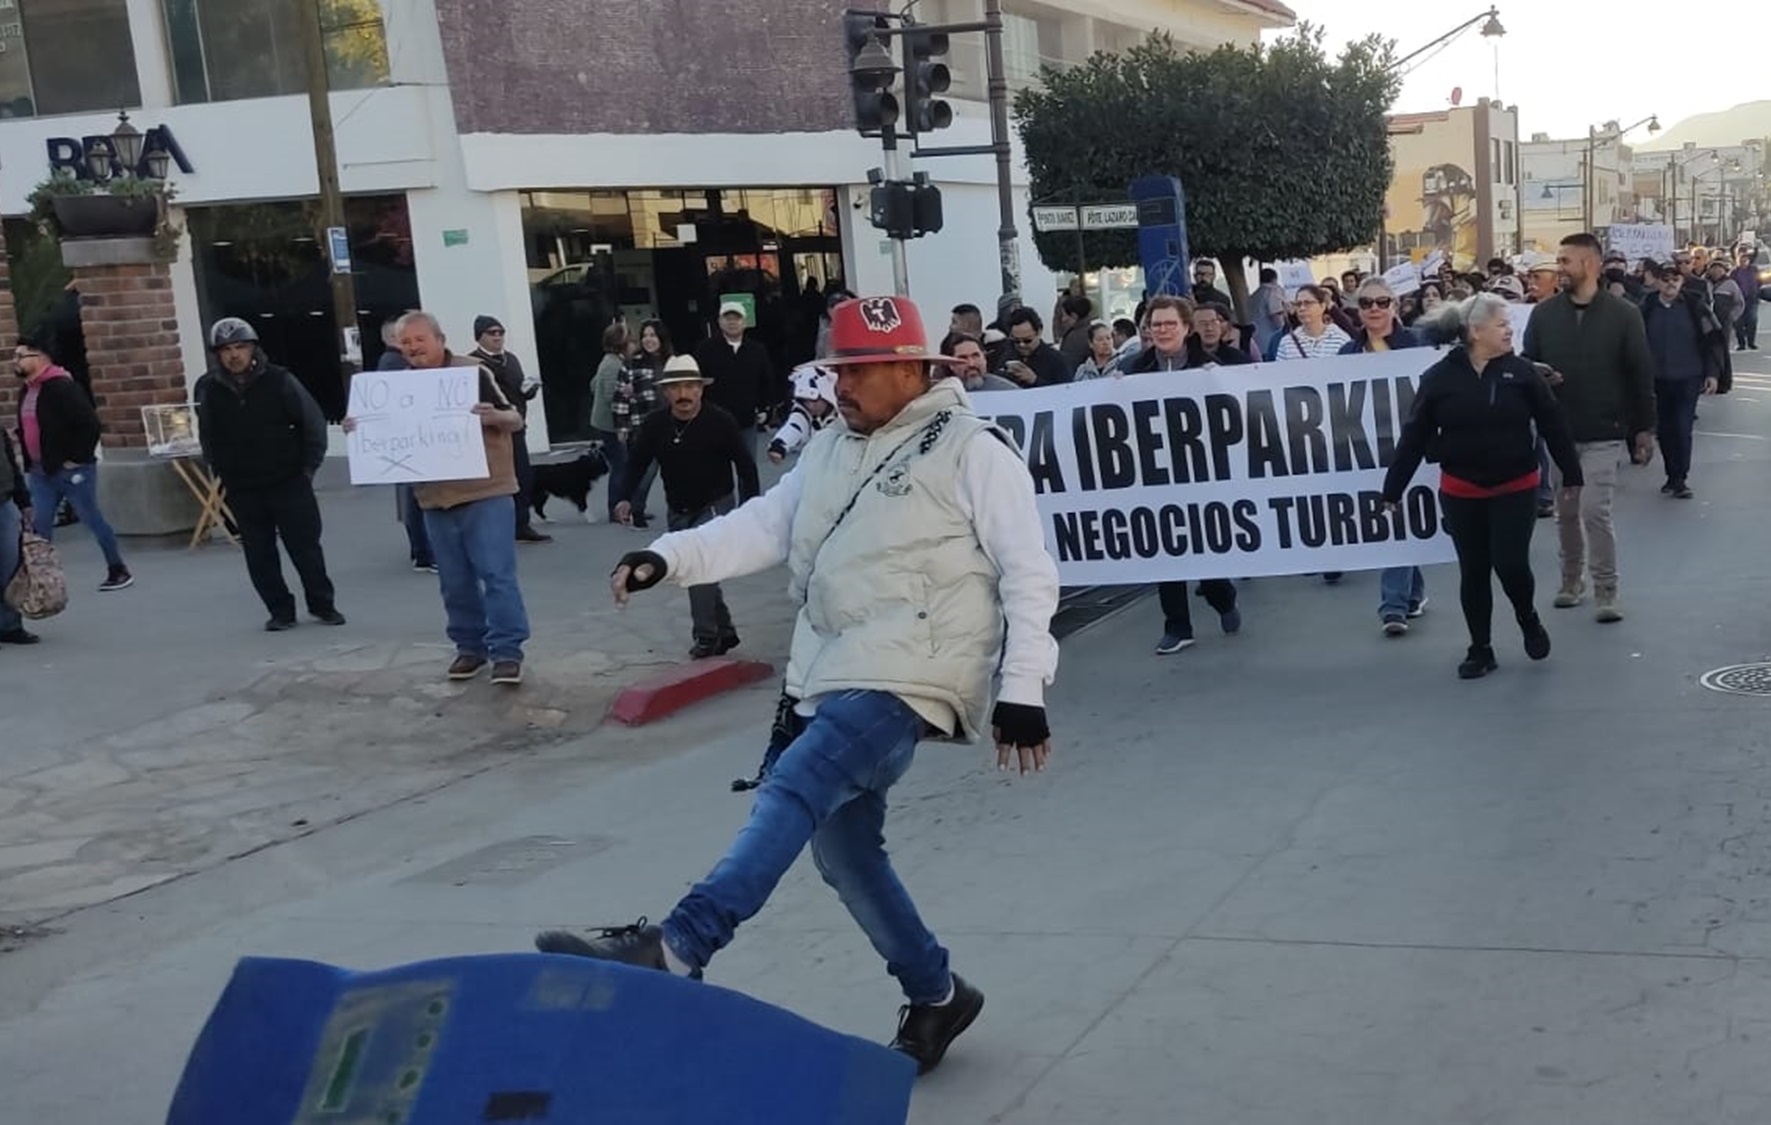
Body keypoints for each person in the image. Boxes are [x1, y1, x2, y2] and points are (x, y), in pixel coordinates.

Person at [534, 295, 1059, 1077]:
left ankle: (677, 947)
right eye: (836, 371)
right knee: (845, 853)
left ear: (912, 369)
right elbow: (762, 525)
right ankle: (937, 991)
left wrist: (1023, 685)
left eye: (859, 372)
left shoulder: (973, 448)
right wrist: (666, 558)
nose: (840, 387)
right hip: (832, 666)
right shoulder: (829, 448)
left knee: (793, 784)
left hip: (914, 670)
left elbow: (1028, 570)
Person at [1384, 293, 1583, 679]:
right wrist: (1393, 489)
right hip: (1462, 490)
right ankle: (1481, 648)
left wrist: (1570, 473)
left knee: (1510, 564)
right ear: (1475, 332)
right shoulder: (1439, 378)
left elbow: (1552, 423)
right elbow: (1414, 434)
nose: (1510, 330)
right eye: (1502, 324)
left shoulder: (1523, 373)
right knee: (1473, 571)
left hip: (1516, 484)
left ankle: (1527, 618)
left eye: (1509, 324)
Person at [346, 312, 531, 685]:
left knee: (496, 575)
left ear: (440, 339)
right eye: (406, 342)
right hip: (434, 498)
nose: (413, 348)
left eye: (419, 340)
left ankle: (507, 652)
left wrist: (491, 416)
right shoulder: (394, 389)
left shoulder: (472, 373)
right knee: (453, 579)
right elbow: (382, 434)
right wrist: (359, 428)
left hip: (486, 490)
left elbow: (516, 419)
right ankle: (470, 648)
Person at [1521, 233, 1656, 624]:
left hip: (1605, 430)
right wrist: (1538, 376)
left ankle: (1606, 589)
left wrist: (1644, 430)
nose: (1559, 268)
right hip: (1560, 431)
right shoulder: (1544, 315)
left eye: (1566, 261)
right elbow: (1527, 362)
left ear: (1591, 264)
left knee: (1595, 510)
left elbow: (1640, 374)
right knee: (1565, 513)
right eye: (1558, 261)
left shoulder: (1624, 314)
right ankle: (1570, 581)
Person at [194, 318, 343, 632]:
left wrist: (307, 470)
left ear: (253, 348)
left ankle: (323, 605)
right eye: (227, 350)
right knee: (259, 555)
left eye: (241, 347)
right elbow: (207, 433)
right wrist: (220, 469)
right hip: (243, 486)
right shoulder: (209, 388)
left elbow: (312, 424)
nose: (234, 355)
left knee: (305, 549)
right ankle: (280, 610)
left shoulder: (280, 380)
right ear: (217, 354)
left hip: (288, 481)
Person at [616, 355, 760, 659]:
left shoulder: (720, 420)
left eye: (690, 387)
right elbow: (636, 464)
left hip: (716, 504)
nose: (683, 394)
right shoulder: (655, 424)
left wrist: (752, 507)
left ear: (700, 390)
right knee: (700, 572)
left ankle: (706, 638)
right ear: (666, 392)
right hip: (678, 506)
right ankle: (725, 631)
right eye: (676, 387)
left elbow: (746, 466)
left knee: (698, 568)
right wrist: (624, 497)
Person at [1122, 297, 1243, 650]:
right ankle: (1177, 626)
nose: (1161, 330)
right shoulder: (1133, 371)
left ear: (1186, 328)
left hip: (1203, 473)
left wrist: (1218, 385)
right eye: (1155, 325)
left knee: (1204, 547)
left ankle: (1223, 596)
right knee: (1166, 548)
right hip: (1156, 473)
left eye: (1169, 324)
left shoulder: (1212, 367)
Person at [1340, 278, 1429, 635]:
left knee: (1397, 519)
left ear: (1395, 305)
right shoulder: (1347, 353)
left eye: (1381, 302)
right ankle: (1412, 592)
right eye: (1365, 303)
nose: (1374, 309)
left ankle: (1393, 606)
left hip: (1411, 445)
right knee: (1395, 520)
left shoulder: (1417, 345)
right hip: (1367, 447)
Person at [13, 333, 132, 592]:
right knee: (40, 525)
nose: (17, 361)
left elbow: (89, 425)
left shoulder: (62, 387)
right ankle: (42, 580)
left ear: (40, 357)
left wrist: (76, 458)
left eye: (22, 356)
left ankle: (117, 568)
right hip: (41, 470)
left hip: (71, 470)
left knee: (91, 518)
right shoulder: (27, 390)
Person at [1641, 262, 1723, 499]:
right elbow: (1633, 343)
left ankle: (1681, 479)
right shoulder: (1646, 308)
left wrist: (1712, 374)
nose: (1670, 283)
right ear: (1657, 282)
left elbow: (1714, 340)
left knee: (1682, 427)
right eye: (1665, 278)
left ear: (1682, 282)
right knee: (1665, 429)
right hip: (1657, 379)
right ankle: (1671, 475)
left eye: (1675, 279)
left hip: (1688, 376)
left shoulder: (1695, 306)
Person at [471, 315, 549, 544]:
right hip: (491, 432)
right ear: (480, 336)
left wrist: (530, 390)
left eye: (500, 332)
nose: (497, 337)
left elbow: (519, 390)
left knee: (522, 477)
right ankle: (496, 527)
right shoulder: (473, 363)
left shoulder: (511, 359)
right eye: (491, 333)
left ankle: (521, 524)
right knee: (495, 483)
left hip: (516, 428)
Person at [379, 317, 434, 572]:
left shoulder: (392, 363)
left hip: (410, 442)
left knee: (413, 499)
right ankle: (424, 552)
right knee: (415, 500)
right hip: (410, 443)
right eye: (406, 340)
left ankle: (421, 551)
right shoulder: (394, 364)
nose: (412, 346)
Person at [694, 300, 776, 463]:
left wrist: (765, 408)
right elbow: (696, 381)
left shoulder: (757, 350)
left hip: (746, 420)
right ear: (719, 321)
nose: (732, 322)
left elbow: (766, 381)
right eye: (727, 318)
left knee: (747, 465)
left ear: (744, 322)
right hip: (714, 421)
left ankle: (750, 490)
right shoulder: (705, 349)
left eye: (736, 318)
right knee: (717, 469)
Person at [613, 318, 671, 529]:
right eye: (645, 336)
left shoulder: (672, 362)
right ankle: (636, 509)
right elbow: (620, 397)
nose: (649, 340)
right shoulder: (631, 364)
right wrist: (621, 427)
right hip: (643, 426)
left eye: (653, 335)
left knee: (675, 471)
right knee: (646, 471)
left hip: (672, 425)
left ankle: (679, 510)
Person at [588, 322, 631, 524]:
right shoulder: (614, 365)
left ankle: (621, 505)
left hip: (604, 422)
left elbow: (594, 384)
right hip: (611, 424)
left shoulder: (607, 361)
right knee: (620, 465)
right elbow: (611, 397)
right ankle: (616, 508)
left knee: (620, 464)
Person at [0, 428, 37, 645]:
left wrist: (23, 500)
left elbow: (11, 464)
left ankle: (10, 625)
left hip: (3, 502)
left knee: (10, 569)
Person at [767, 363, 839, 462]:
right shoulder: (804, 410)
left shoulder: (845, 413)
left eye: (814, 400)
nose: (810, 406)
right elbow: (795, 425)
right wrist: (779, 445)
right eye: (805, 401)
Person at [1273, 285, 1352, 360]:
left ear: (1322, 306)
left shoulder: (1341, 339)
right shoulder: (1286, 343)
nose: (1302, 308)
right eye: (1298, 304)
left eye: (1308, 303)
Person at [1002, 308, 1072, 387]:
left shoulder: (1056, 360)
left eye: (1027, 340)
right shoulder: (1008, 354)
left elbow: (1066, 392)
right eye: (1016, 341)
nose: (1022, 345)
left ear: (1039, 332)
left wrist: (1035, 380)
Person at [939, 332, 1019, 392]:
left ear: (984, 358)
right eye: (963, 358)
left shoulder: (1008, 391)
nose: (971, 364)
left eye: (976, 356)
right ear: (950, 364)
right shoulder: (942, 395)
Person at [1249, 267, 1288, 359]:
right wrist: (1284, 333)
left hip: (1256, 342)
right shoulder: (1273, 292)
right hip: (1270, 342)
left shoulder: (1254, 295)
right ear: (1274, 279)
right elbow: (1276, 314)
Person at [1054, 294, 1095, 373]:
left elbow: (1068, 366)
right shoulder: (1092, 331)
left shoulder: (1074, 338)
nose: (1063, 320)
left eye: (1064, 315)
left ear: (1074, 316)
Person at [1732, 246, 1761, 350]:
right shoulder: (1734, 272)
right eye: (1741, 260)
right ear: (1737, 261)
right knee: (1738, 322)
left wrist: (1756, 291)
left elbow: (1759, 282)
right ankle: (1741, 343)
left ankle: (1751, 342)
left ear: (1748, 261)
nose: (1743, 262)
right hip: (1738, 300)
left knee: (1752, 320)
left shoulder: (1753, 270)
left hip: (1752, 299)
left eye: (1745, 260)